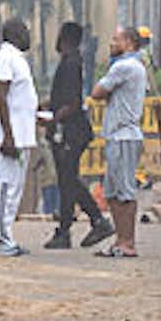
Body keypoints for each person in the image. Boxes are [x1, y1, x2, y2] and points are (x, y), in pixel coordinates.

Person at [44, 22, 109, 248]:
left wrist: (53, 118)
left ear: (63, 37)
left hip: (70, 131)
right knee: (67, 180)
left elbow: (72, 102)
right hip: (71, 130)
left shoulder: (70, 63)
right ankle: (90, 222)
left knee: (68, 180)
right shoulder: (71, 61)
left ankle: (74, 228)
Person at [90, 26, 149, 257]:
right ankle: (120, 240)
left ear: (129, 42)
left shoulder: (125, 66)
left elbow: (97, 92)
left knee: (125, 191)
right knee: (113, 192)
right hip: (117, 135)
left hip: (124, 135)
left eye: (116, 39)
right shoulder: (134, 66)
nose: (111, 43)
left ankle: (128, 242)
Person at [0, 19, 39, 257]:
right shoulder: (6, 57)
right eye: (26, 31)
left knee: (15, 188)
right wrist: (8, 135)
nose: (29, 36)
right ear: (15, 34)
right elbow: (1, 95)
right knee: (5, 185)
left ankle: (6, 235)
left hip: (21, 136)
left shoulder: (18, 59)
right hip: (11, 137)